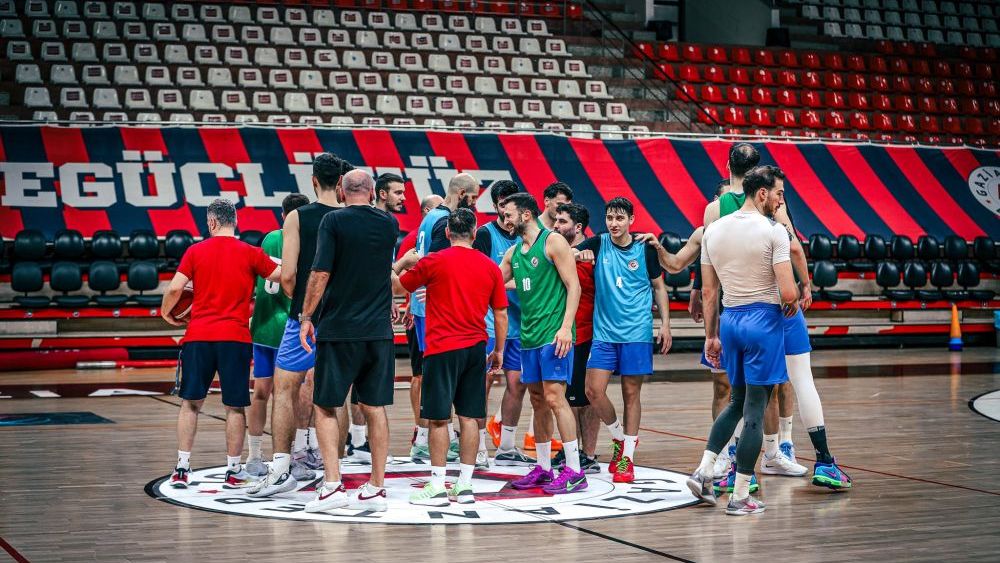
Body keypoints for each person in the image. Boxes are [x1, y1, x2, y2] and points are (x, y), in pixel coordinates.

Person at [686, 165, 800, 516]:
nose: (782, 202)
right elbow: (788, 291)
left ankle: (705, 470)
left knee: (736, 402)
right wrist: (795, 297)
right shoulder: (774, 231)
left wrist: (711, 335)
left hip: (730, 320)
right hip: (762, 320)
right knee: (754, 409)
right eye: (779, 194)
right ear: (761, 193)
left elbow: (708, 290)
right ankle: (739, 496)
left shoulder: (713, 230)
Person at [296, 169, 400, 512]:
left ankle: (331, 486)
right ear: (373, 192)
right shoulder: (389, 224)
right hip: (379, 331)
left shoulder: (333, 222)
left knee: (326, 405)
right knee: (374, 407)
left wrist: (307, 316)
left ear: (341, 190)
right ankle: (377, 488)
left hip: (340, 328)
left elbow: (321, 271)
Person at [247, 153, 350, 497]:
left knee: (285, 389)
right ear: (341, 183)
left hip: (303, 318)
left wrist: (302, 304)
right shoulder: (349, 216)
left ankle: (280, 469)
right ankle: (336, 468)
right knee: (336, 397)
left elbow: (288, 275)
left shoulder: (296, 217)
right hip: (341, 318)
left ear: (313, 182)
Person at [162, 198, 281, 489]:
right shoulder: (251, 252)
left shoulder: (194, 251)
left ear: (211, 222)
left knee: (191, 403)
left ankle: (181, 468)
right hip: (235, 338)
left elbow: (176, 287)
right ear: (235, 222)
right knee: (234, 408)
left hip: (199, 336)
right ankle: (232, 470)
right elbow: (282, 276)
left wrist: (167, 314)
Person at [396, 208, 509, 505]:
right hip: (476, 349)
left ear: (446, 233)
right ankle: (465, 485)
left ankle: (436, 486)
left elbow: (397, 286)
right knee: (470, 417)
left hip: (441, 349)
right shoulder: (490, 266)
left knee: (437, 419)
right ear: (474, 233)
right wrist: (498, 350)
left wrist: (401, 264)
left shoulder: (433, 261)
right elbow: (500, 313)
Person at [576, 197, 671, 484]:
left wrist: (665, 325)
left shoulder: (645, 248)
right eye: (609, 218)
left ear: (631, 219)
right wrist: (576, 255)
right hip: (604, 333)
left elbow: (659, 287)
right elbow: (565, 253)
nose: (614, 223)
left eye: (619, 218)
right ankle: (619, 436)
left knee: (632, 395)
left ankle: (627, 457)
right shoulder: (596, 243)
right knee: (592, 391)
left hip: (636, 334)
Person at [497, 193, 587, 494]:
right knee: (537, 401)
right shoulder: (513, 254)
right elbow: (489, 283)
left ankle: (574, 469)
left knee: (554, 398)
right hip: (529, 337)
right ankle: (545, 467)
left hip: (553, 335)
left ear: (525, 215)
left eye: (508, 214)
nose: (504, 220)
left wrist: (565, 328)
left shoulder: (553, 242)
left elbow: (573, 286)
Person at [409, 173, 482, 465]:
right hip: (435, 310)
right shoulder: (445, 222)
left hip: (423, 306)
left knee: (429, 374)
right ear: (462, 193)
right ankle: (435, 440)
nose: (475, 202)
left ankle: (426, 439)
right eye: (474, 197)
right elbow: (440, 267)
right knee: (441, 378)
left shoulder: (431, 217)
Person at [246, 193, 312, 478]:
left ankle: (254, 456)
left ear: (283, 215)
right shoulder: (305, 239)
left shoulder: (268, 239)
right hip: (290, 327)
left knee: (260, 393)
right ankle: (296, 453)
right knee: (294, 393)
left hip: (262, 326)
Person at [474, 180, 536, 467]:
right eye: (505, 207)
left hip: (521, 324)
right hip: (489, 323)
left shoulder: (529, 235)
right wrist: (515, 285)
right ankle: (476, 447)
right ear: (498, 205)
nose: (509, 213)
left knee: (518, 384)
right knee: (482, 383)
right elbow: (484, 280)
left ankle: (507, 446)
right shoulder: (486, 234)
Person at [551, 202, 601, 474]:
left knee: (588, 399)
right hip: (563, 336)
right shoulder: (561, 253)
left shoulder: (594, 253)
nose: (556, 226)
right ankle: (574, 451)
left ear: (578, 227)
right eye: (555, 221)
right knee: (567, 399)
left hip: (587, 336)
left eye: (561, 221)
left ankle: (589, 455)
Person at [398, 194, 444, 461]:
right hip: (419, 314)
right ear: (427, 211)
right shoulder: (414, 237)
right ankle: (421, 432)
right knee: (420, 375)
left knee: (436, 374)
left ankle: (435, 430)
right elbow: (406, 274)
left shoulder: (438, 235)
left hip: (434, 314)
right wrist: (409, 304)